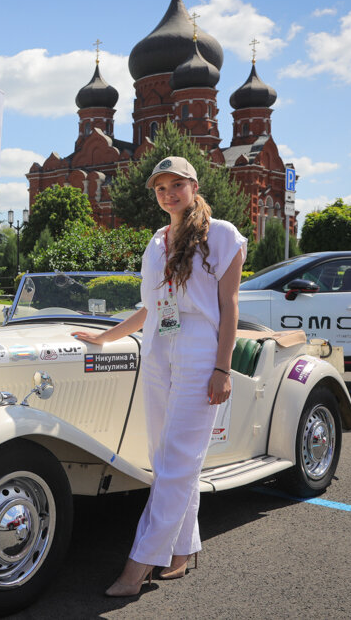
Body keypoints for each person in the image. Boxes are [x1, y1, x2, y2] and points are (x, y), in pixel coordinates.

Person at [72, 156, 246, 598]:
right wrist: (106, 336)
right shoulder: (156, 241)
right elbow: (152, 307)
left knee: (177, 463)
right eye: (160, 188)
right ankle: (183, 549)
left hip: (199, 351)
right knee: (165, 460)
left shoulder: (222, 235)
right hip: (157, 350)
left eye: (176, 185)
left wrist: (222, 368)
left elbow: (229, 308)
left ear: (193, 185)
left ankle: (138, 565)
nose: (168, 193)